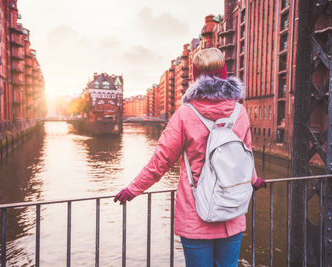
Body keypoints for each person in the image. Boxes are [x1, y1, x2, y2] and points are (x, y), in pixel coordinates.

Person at [114, 47, 267, 267]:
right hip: (231, 212)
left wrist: (133, 189)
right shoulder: (239, 112)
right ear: (224, 73)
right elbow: (246, 155)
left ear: (194, 76)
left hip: (196, 216)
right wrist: (254, 180)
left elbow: (161, 161)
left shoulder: (185, 115)